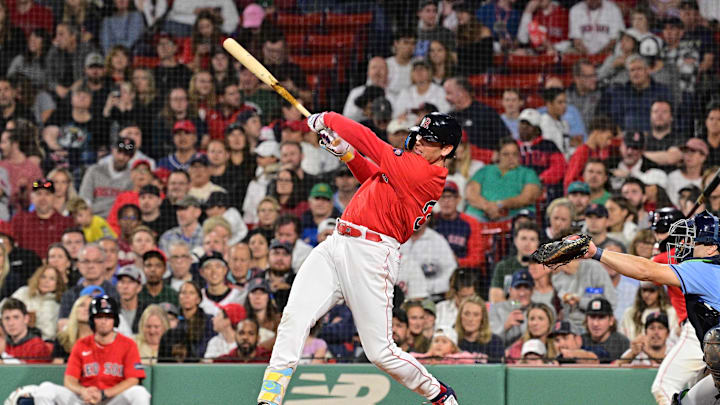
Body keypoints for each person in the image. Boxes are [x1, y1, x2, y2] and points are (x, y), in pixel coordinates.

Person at [256, 110, 463, 404]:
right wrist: (347, 154)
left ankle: (438, 393)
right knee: (294, 316)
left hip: (372, 254)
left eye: (428, 140)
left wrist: (328, 118)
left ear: (446, 149)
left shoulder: (424, 172)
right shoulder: (411, 168)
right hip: (338, 242)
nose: (418, 141)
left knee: (380, 352)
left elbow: (371, 142)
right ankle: (270, 396)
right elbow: (373, 177)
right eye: (419, 134)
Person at [32, 295, 151, 404]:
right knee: (46, 389)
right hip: (84, 399)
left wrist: (104, 394)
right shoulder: (81, 344)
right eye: (99, 317)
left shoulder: (128, 344)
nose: (104, 321)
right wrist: (83, 391)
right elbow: (69, 380)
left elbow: (133, 380)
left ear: (115, 320)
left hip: (113, 400)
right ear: (92, 320)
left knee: (139, 392)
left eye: (108, 317)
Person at [465, 138, 542, 221]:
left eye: (515, 154)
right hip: (481, 213)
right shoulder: (485, 170)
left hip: (514, 215)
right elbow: (471, 194)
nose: (511, 158)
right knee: (465, 221)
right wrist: (487, 207)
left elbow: (528, 197)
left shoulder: (528, 173)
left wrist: (500, 205)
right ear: (498, 155)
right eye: (506, 154)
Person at [552, 239, 617, 332]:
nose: (560, 267)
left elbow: (610, 301)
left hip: (594, 325)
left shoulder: (594, 269)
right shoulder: (557, 278)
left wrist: (580, 300)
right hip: (569, 327)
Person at [10, 265, 65, 340]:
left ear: (57, 284)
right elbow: (4, 309)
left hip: (42, 343)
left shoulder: (58, 306)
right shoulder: (23, 292)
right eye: (43, 277)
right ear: (37, 278)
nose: (46, 281)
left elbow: (51, 334)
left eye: (52, 279)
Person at [489, 222, 540, 303]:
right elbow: (495, 300)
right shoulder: (503, 266)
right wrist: (517, 304)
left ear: (538, 243)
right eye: (523, 238)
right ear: (515, 241)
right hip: (508, 312)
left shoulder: (544, 268)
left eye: (532, 239)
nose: (528, 243)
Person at [489, 269, 535, 346]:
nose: (522, 293)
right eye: (518, 287)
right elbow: (489, 340)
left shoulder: (539, 309)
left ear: (532, 290)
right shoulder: (497, 308)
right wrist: (506, 326)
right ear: (510, 290)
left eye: (526, 287)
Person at [0, 297, 51, 363]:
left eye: (16, 317)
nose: (11, 323)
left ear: (26, 319)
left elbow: (35, 372)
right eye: (7, 318)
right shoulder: (2, 344)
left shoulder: (37, 346)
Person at [455, 295, 504, 362]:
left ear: (483, 319)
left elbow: (497, 371)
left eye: (476, 315)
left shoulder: (495, 342)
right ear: (460, 316)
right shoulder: (452, 340)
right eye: (467, 314)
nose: (470, 319)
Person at [580, 297, 630, 363]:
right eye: (592, 317)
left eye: (601, 318)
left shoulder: (622, 343)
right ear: (586, 319)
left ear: (611, 320)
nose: (595, 323)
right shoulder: (580, 341)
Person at [115, 265, 146, 337]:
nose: (125, 286)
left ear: (139, 287)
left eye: (130, 282)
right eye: (122, 282)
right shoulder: (112, 310)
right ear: (117, 286)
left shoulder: (146, 310)